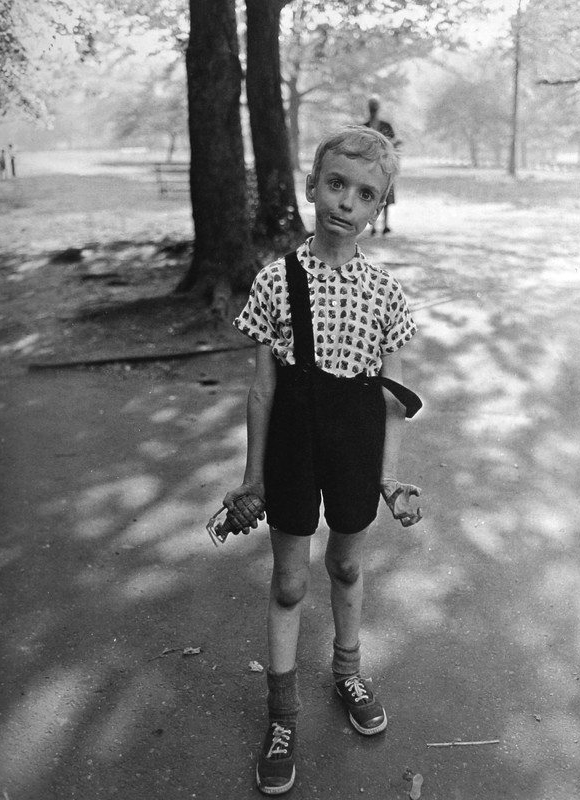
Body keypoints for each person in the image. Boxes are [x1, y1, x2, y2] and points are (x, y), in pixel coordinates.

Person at [212, 125, 423, 796]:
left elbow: (393, 397)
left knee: (347, 564)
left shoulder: (387, 295)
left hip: (358, 444)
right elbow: (262, 388)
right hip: (294, 446)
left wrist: (389, 476)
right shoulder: (277, 280)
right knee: (289, 584)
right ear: (312, 185)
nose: (346, 203)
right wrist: (252, 478)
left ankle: (348, 671)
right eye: (336, 184)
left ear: (379, 207)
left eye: (365, 194)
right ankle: (281, 717)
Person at [363, 96, 400, 235]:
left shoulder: (385, 126)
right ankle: (373, 226)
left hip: (384, 166)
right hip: (369, 168)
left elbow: (393, 142)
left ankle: (385, 225)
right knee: (372, 196)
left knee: (385, 196)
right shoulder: (365, 126)